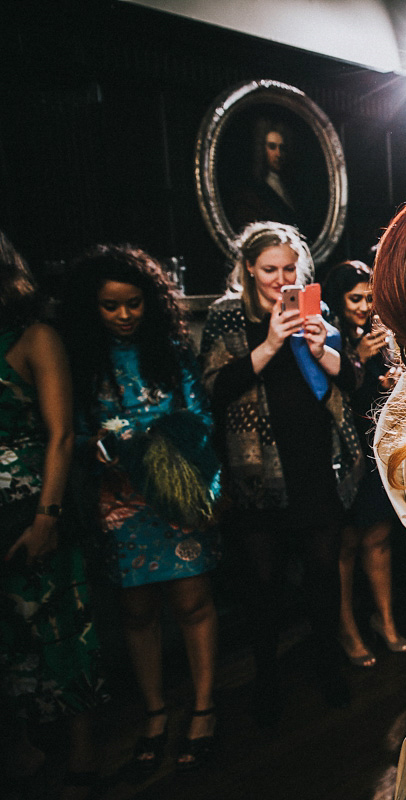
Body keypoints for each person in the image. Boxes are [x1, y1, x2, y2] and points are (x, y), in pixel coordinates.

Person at [60, 245, 222, 774]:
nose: (126, 315)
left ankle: (202, 707)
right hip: (121, 500)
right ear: (92, 308)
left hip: (175, 497)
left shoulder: (170, 351)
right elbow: (73, 433)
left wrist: (174, 456)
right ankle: (154, 710)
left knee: (192, 601)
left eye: (134, 304)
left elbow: (200, 416)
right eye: (112, 306)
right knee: (137, 610)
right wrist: (102, 448)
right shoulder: (80, 362)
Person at [200, 222, 364, 724]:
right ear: (249, 268)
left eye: (290, 268)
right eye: (270, 269)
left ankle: (327, 664)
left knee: (322, 576)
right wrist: (271, 342)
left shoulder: (315, 309)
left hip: (318, 464)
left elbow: (352, 383)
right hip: (258, 474)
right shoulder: (226, 316)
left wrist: (322, 350)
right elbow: (214, 386)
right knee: (263, 587)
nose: (281, 278)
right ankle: (266, 677)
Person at [1, 231, 105, 798]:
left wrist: (47, 517)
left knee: (61, 625)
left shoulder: (35, 335)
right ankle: (21, 753)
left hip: (31, 503)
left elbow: (62, 435)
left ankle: (84, 757)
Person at [319, 260, 406, 667]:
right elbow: (334, 391)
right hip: (341, 452)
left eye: (370, 297)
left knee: (379, 537)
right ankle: (346, 627)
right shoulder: (329, 337)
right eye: (356, 298)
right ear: (338, 300)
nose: (365, 305)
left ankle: (386, 620)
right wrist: (356, 358)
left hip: (377, 447)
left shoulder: (380, 334)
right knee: (346, 544)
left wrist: (391, 378)